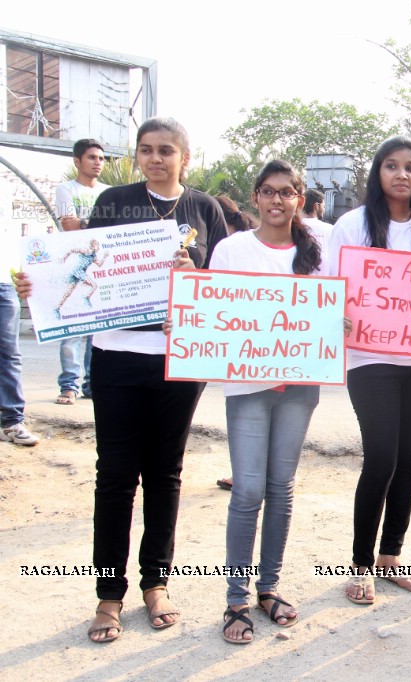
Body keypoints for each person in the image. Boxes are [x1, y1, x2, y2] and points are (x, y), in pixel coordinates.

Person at [19, 117, 227, 642]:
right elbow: (81, 266)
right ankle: (109, 594)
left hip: (180, 360)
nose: (154, 158)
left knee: (166, 473)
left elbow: (227, 285)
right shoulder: (113, 202)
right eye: (145, 150)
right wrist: (36, 287)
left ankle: (156, 583)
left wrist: (194, 276)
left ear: (184, 155)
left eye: (165, 150)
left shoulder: (205, 210)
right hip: (114, 356)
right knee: (114, 476)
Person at [215, 160, 343, 643]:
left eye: (286, 192)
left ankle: (268, 589)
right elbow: (210, 311)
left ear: (299, 199)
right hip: (247, 385)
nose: (276, 200)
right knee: (248, 490)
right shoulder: (231, 249)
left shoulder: (319, 254)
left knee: (281, 487)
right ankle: (235, 599)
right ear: (255, 198)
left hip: (300, 383)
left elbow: (338, 306)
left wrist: (341, 322)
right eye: (267, 192)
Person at [327, 136, 411, 605]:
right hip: (369, 359)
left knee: (409, 459)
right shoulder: (351, 225)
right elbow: (329, 286)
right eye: (392, 166)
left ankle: (390, 556)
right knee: (380, 459)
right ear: (377, 173)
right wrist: (335, 313)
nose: (402, 175)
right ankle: (359, 563)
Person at [54, 138, 108, 405]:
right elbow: (70, 226)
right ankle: (69, 385)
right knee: (72, 330)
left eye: (101, 158)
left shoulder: (109, 192)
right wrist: (94, 225)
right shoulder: (66, 190)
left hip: (102, 267)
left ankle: (91, 385)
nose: (98, 162)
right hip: (75, 265)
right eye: (92, 157)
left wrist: (86, 223)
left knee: (98, 332)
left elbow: (112, 232)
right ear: (77, 161)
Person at [212, 195, 257, 493]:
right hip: (250, 352)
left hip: (259, 351)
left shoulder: (234, 247)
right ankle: (246, 474)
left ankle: (245, 474)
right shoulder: (229, 247)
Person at [1, 181, 39, 446]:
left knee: (9, 354)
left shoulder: (4, 188)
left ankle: (13, 421)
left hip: (4, 284)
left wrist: (20, 278)